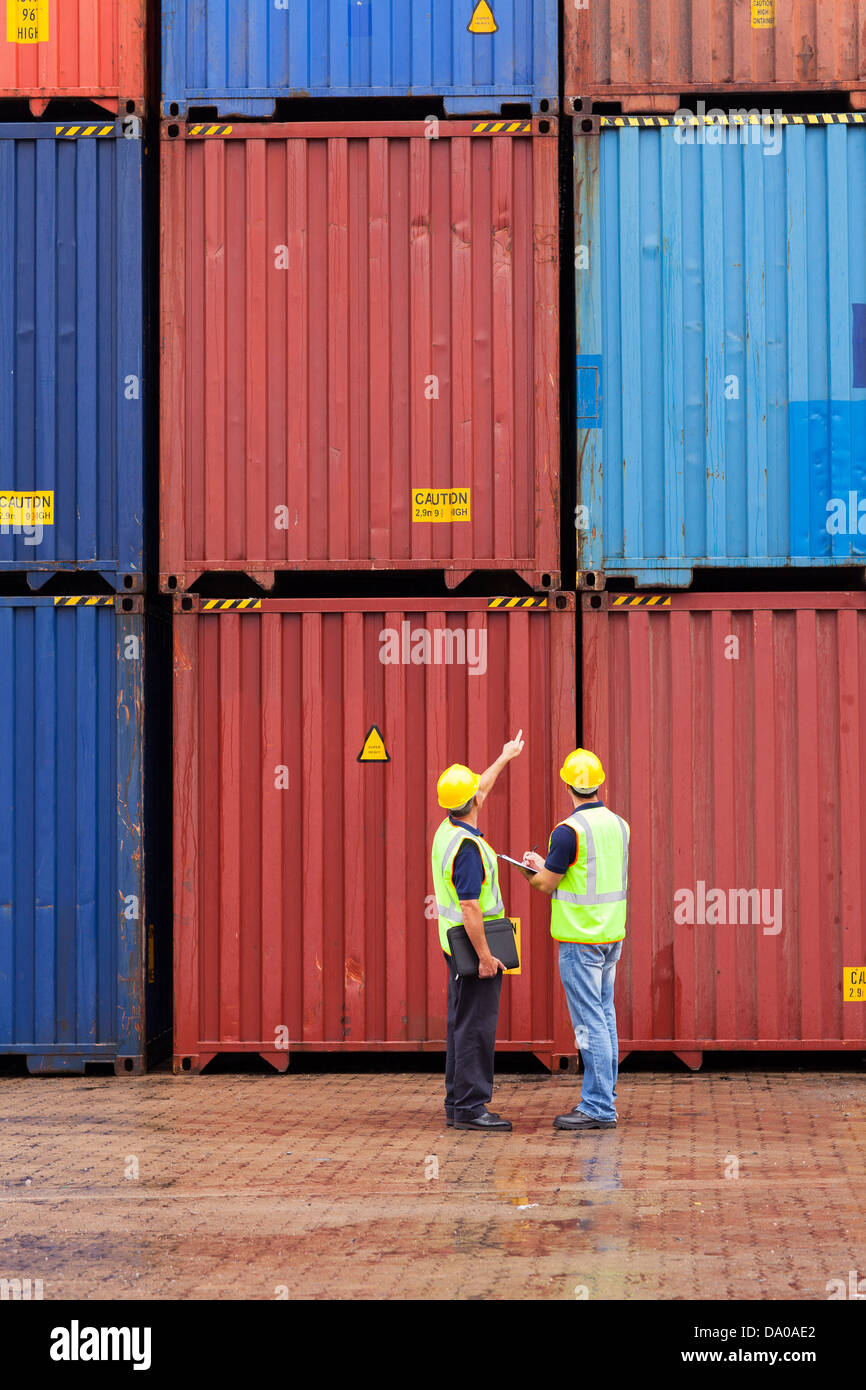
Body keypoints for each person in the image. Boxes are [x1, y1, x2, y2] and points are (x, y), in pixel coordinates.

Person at [522, 749, 629, 1131]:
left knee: (589, 1023)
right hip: (610, 936)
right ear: (600, 782)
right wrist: (547, 864)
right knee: (605, 1018)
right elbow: (587, 872)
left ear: (567, 784)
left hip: (579, 939)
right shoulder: (619, 825)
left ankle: (598, 1107)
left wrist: (529, 871)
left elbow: (547, 884)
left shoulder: (568, 831)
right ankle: (606, 1099)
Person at [431, 733, 525, 1132]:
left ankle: (458, 1103)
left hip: (454, 948)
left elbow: (479, 787)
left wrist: (503, 757)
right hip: (474, 949)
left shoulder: (447, 829)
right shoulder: (468, 848)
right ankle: (470, 1108)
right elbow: (470, 906)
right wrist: (487, 957)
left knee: (461, 1022)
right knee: (476, 1027)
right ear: (472, 804)